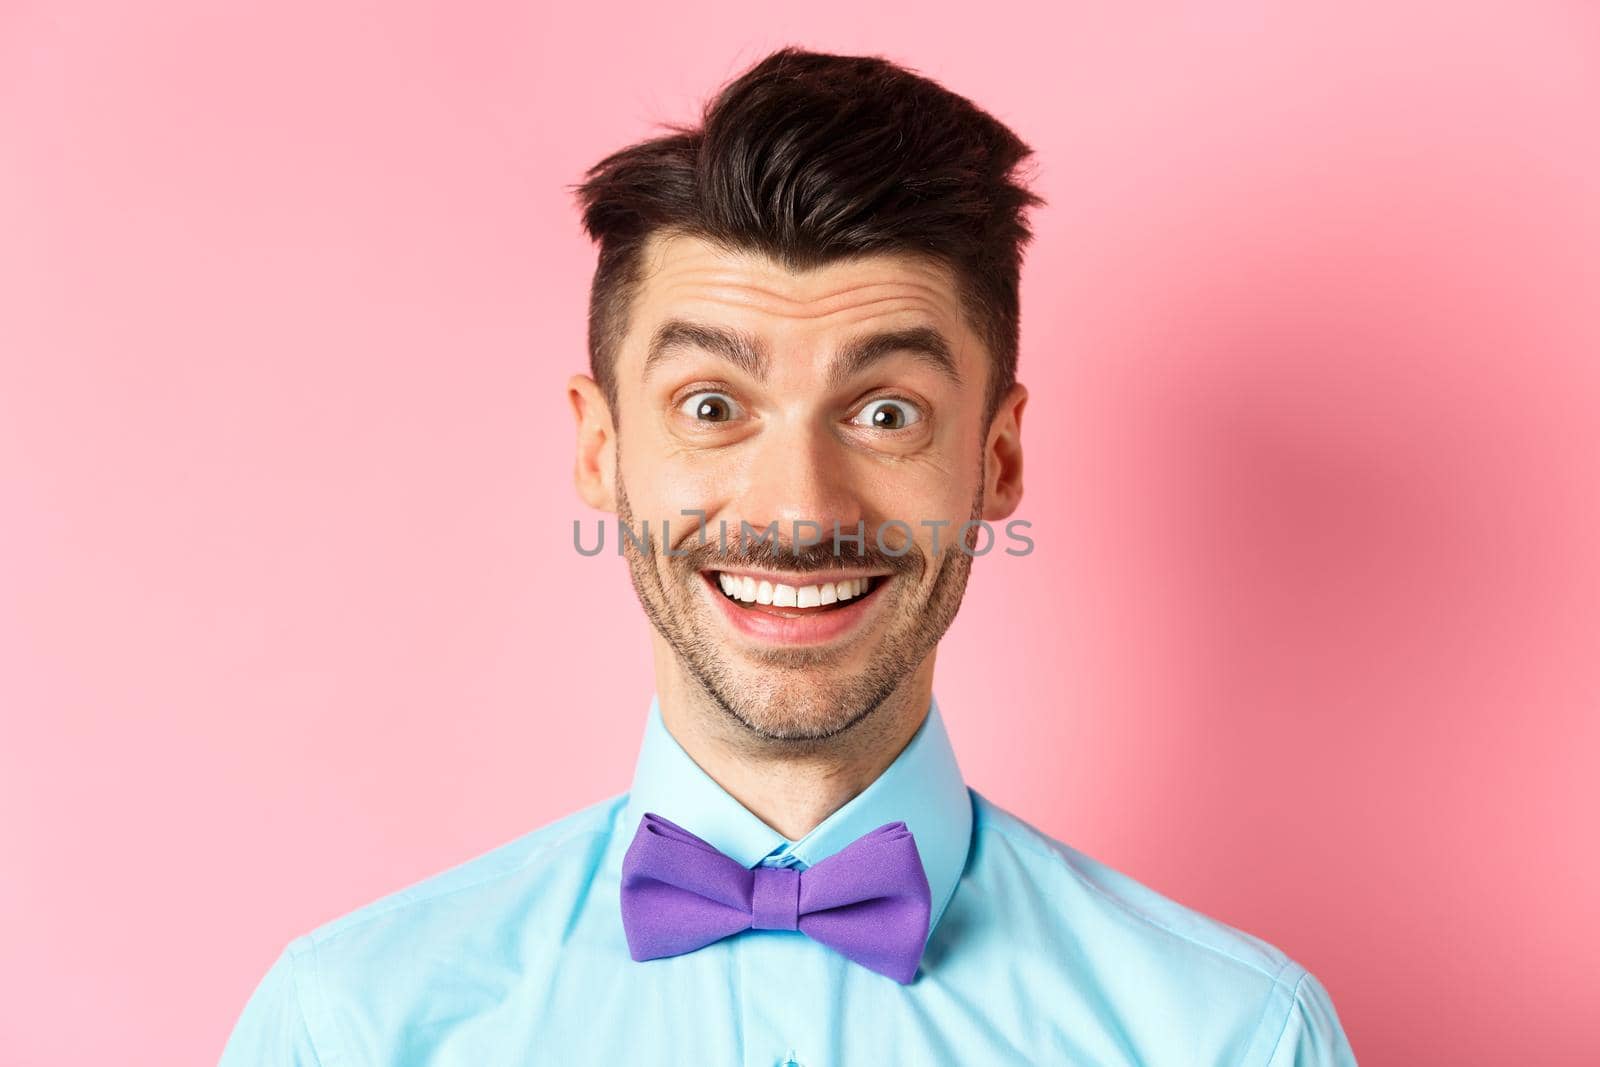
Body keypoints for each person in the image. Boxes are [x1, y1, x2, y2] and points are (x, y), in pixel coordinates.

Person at [219, 46, 1358, 1066]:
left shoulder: (1229, 1036)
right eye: (712, 403)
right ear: (603, 448)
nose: (800, 511)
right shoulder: (355, 1028)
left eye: (885, 413)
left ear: (997, 458)